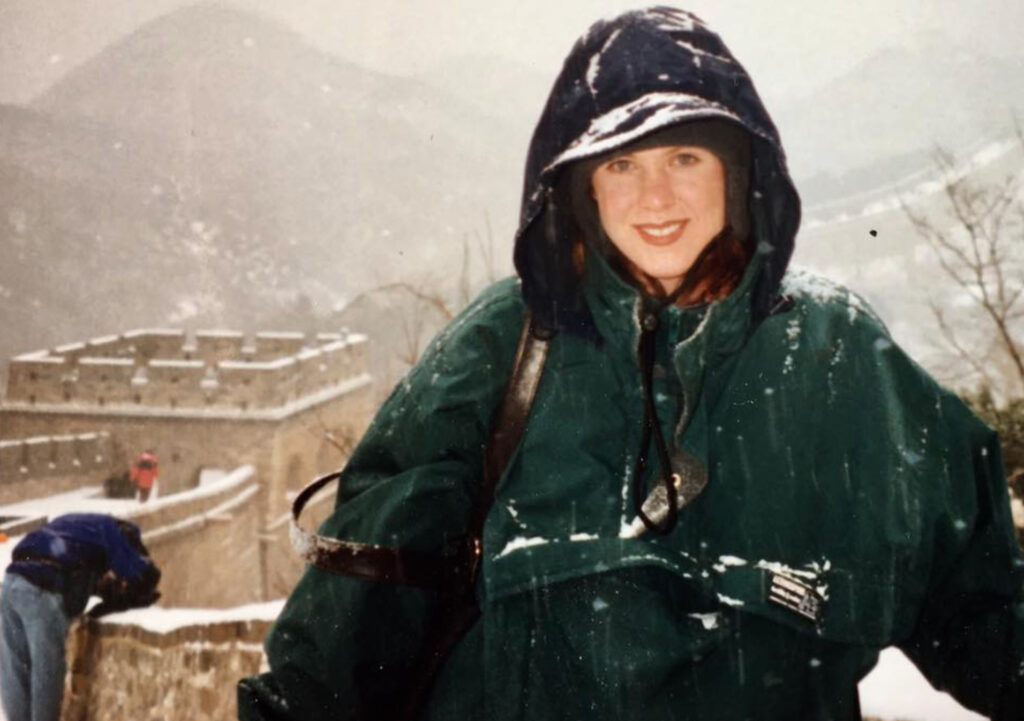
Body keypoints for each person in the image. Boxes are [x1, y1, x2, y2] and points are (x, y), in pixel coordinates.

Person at [238, 7, 1024, 720]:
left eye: (684, 156)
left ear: (736, 171)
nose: (654, 196)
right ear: (580, 189)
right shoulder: (503, 347)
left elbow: (982, 600)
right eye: (620, 164)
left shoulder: (833, 356)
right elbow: (350, 626)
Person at [1, 514, 161, 721]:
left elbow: (73, 568)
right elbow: (135, 570)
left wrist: (103, 588)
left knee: (15, 669)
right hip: (42, 591)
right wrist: (147, 578)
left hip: (12, 584)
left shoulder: (77, 526)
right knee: (47, 669)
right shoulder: (112, 530)